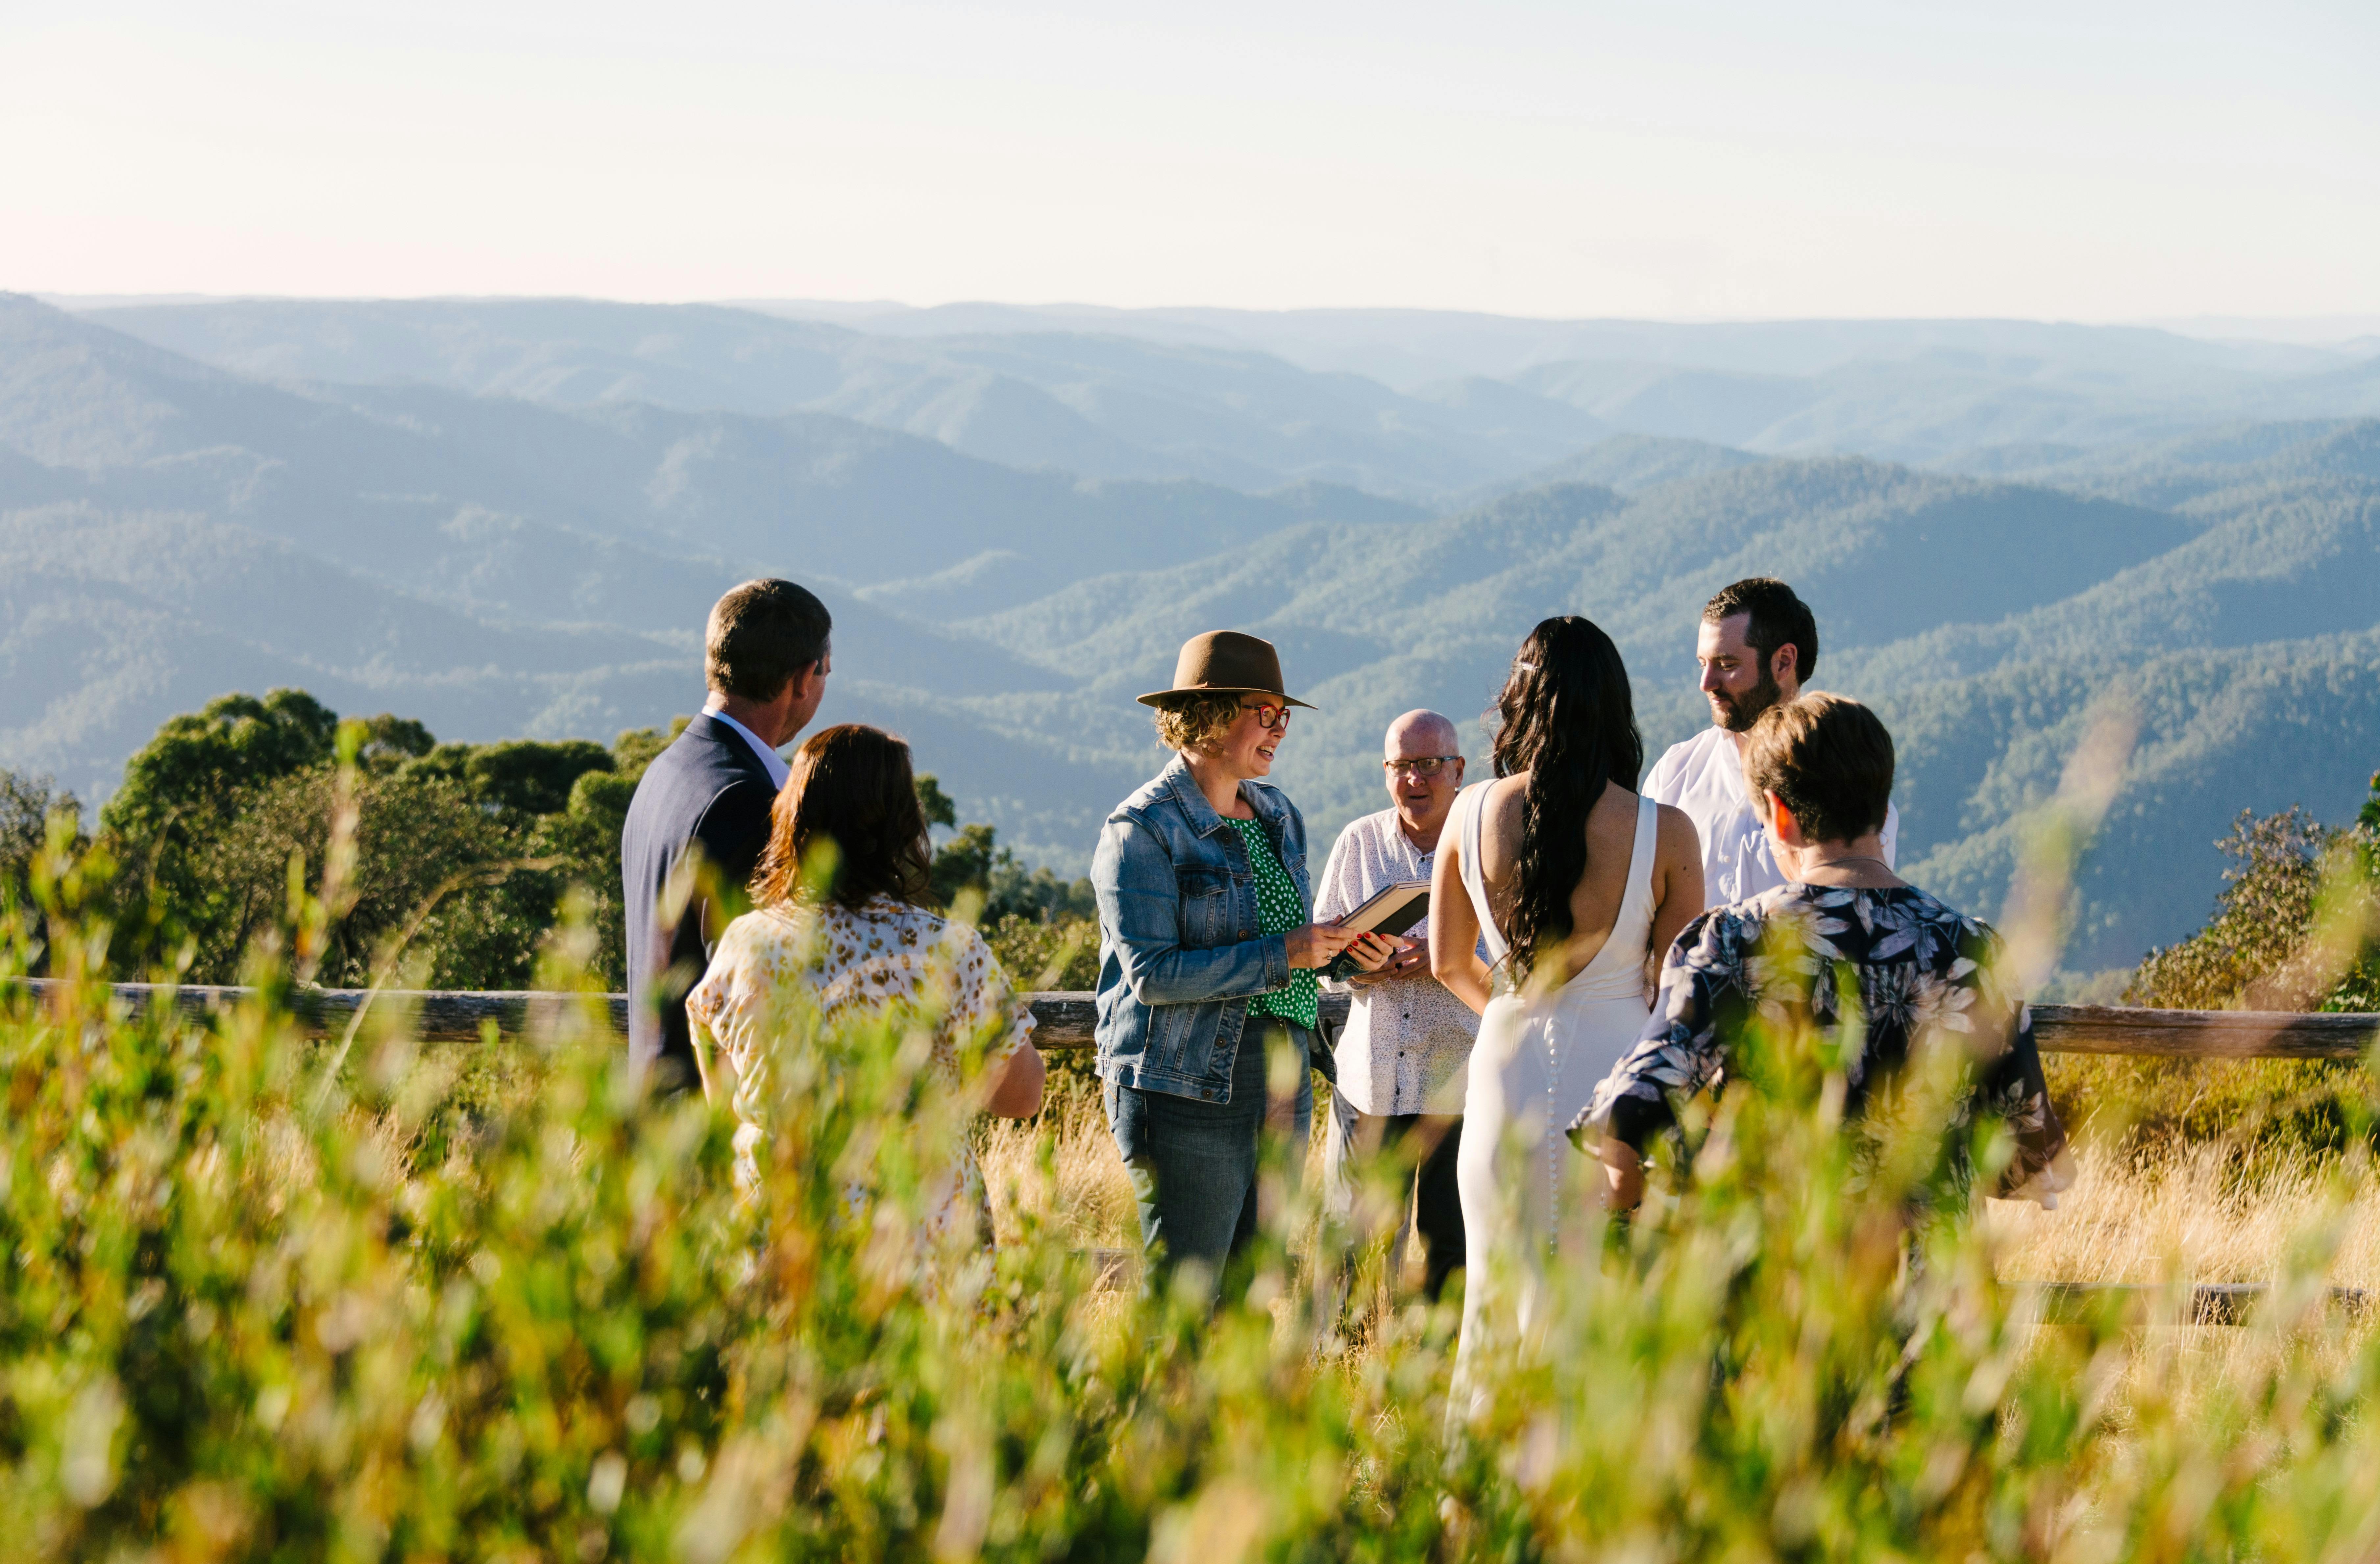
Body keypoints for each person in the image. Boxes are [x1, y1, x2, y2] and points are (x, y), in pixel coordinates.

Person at [1579, 693, 2070, 1215]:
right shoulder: (1970, 949)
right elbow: (2034, 1160)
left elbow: (1631, 1116)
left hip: (1777, 1277)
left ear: (1782, 817)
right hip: (1931, 1287)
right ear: (1882, 811)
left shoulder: (1731, 942)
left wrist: (1624, 1225)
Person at [1430, 617, 1701, 1382]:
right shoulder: (1667, 831)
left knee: (1495, 1291)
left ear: (1516, 700)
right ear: (1615, 707)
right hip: (1618, 1070)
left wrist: (1515, 1012)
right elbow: (1679, 991)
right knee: (1606, 1301)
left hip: (1505, 1064)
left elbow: (1450, 961)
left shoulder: (1468, 812)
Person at [1092, 630, 1394, 1298]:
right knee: (1187, 1295)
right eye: (1268, 711)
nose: (1281, 729)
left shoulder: (1278, 814)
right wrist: (1285, 953)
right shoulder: (1140, 830)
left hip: (1284, 1068)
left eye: (1282, 715)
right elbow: (1153, 975)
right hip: (1188, 1083)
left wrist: (1342, 955)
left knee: (1250, 1290)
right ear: (1211, 712)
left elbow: (1286, 947)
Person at [683, 724, 1046, 1249]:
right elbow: (1022, 1096)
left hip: (784, 1225)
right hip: (917, 1229)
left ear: (795, 816)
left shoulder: (746, 945)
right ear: (902, 825)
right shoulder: (949, 952)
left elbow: (724, 1099)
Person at [622, 578, 833, 1090]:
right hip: (709, 1120)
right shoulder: (748, 805)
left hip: (653, 1103)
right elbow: (755, 989)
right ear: (804, 678)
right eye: (827, 671)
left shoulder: (666, 772)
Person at [1313, 709, 1481, 1307]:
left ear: (1459, 769)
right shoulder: (1357, 841)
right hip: (1371, 1081)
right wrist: (1357, 961)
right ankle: (1346, 1365)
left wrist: (1447, 957)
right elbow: (1320, 955)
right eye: (1400, 765)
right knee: (1355, 1240)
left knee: (1452, 1245)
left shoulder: (1490, 844)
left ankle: (1438, 1380)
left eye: (1429, 764)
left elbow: (1518, 959)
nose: (1414, 778)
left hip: (1456, 1079)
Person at [1644, 577, 1901, 910]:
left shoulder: (1848, 783)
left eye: (1726, 665)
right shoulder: (1675, 773)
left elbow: (1862, 913)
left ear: (1783, 662)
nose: (1705, 683)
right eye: (1702, 664)